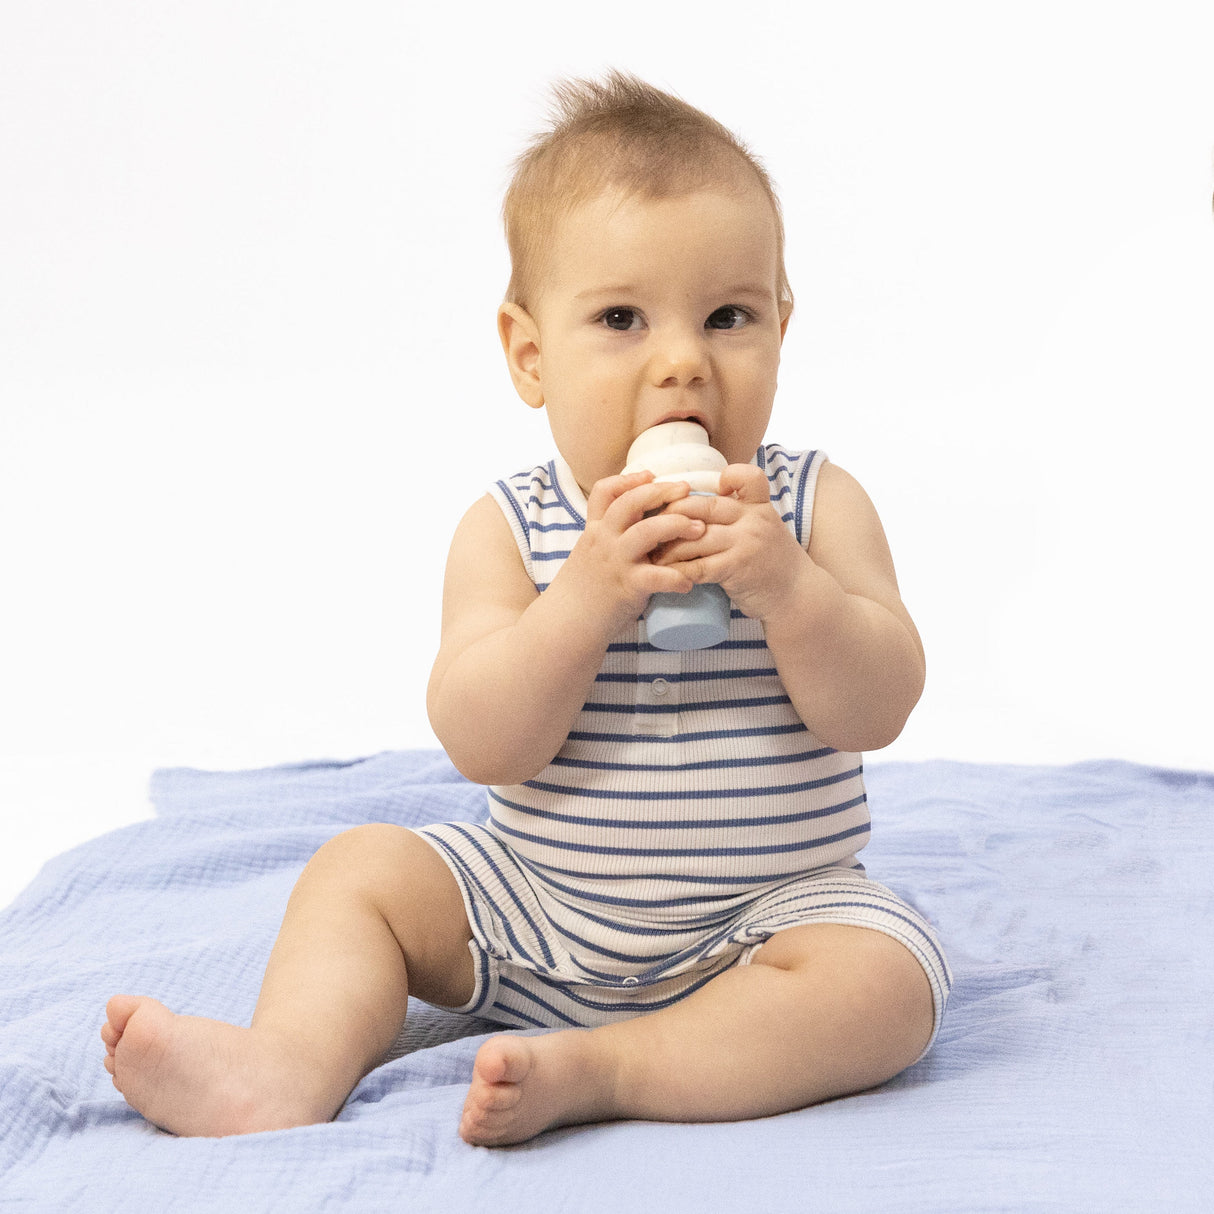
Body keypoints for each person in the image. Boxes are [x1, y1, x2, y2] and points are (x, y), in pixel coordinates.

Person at [101, 71, 951, 1147]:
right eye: (619, 319)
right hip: (535, 911)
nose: (681, 360)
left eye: (727, 315)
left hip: (764, 924)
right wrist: (581, 600)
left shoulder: (811, 506)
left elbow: (876, 705)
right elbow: (480, 736)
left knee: (887, 978)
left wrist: (789, 590)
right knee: (357, 871)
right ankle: (285, 1062)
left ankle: (603, 1067)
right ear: (528, 354)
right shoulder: (510, 529)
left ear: (781, 326)